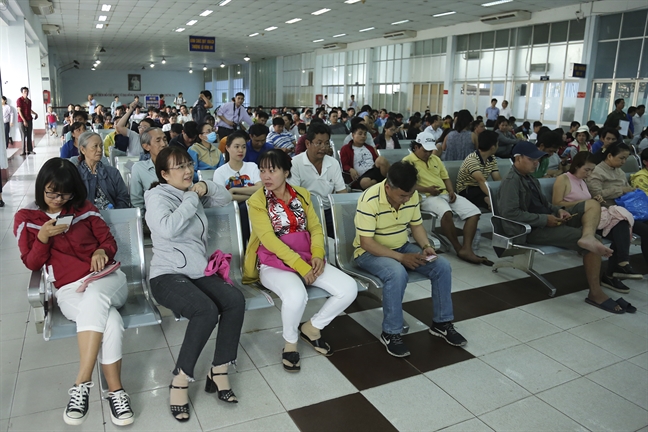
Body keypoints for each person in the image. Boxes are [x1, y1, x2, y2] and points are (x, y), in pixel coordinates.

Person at [14, 158, 135, 426]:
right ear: (40, 189)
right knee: (111, 321)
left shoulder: (85, 210)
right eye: (52, 192)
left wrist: (102, 251)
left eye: (65, 193)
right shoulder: (27, 219)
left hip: (106, 280)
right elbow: (32, 264)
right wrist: (43, 237)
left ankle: (82, 383)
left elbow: (108, 241)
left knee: (95, 296)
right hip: (69, 290)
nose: (58, 199)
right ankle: (116, 392)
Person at [145, 146, 241, 422]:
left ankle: (219, 370)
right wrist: (191, 197)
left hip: (198, 270)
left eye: (188, 164)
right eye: (179, 167)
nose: (187, 170)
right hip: (166, 276)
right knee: (206, 310)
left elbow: (224, 198)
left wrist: (204, 186)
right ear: (164, 174)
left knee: (235, 300)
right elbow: (166, 229)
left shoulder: (192, 191)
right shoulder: (157, 197)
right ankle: (180, 378)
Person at [242, 149, 357, 371]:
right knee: (296, 295)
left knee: (348, 288)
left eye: (272, 170)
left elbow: (315, 227)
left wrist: (317, 255)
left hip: (306, 256)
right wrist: (301, 266)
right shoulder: (257, 201)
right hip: (273, 261)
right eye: (262, 170)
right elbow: (269, 240)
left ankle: (312, 328)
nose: (265, 176)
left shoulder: (302, 194)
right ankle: (290, 343)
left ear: (286, 172)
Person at [498, 142, 635, 314]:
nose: (536, 163)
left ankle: (587, 237)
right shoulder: (512, 181)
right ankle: (595, 293)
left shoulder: (529, 177)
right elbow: (509, 214)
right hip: (532, 229)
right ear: (518, 159)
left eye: (537, 159)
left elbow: (544, 204)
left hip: (547, 220)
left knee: (592, 203)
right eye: (532, 159)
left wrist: (558, 211)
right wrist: (544, 219)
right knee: (596, 244)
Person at [354, 161, 467, 357]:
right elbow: (366, 243)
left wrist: (426, 247)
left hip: (402, 246)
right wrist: (401, 257)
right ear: (388, 187)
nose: (407, 199)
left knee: (441, 266)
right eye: (402, 196)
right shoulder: (369, 199)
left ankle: (441, 323)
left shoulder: (412, 195)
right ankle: (391, 332)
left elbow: (416, 226)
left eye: (410, 194)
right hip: (368, 253)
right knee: (397, 273)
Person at [553, 151, 642, 289]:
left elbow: (589, 203)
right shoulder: (563, 179)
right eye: (586, 170)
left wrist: (595, 201)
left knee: (621, 225)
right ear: (576, 166)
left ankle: (619, 266)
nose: (589, 173)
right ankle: (616, 269)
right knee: (619, 224)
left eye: (592, 170)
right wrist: (586, 202)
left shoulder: (583, 181)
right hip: (574, 219)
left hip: (590, 218)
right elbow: (557, 203)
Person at [404, 131, 490, 266]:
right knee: (446, 213)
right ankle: (457, 248)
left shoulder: (436, 159)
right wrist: (427, 189)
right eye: (425, 150)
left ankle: (466, 248)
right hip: (426, 197)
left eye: (430, 150)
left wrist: (451, 190)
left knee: (474, 212)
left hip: (444, 193)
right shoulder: (407, 162)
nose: (428, 153)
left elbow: (446, 178)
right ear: (416, 147)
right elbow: (407, 185)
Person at [586, 142, 648, 263]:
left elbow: (626, 189)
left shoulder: (619, 171)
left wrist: (631, 191)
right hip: (609, 212)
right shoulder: (597, 172)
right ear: (609, 156)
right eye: (621, 158)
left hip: (625, 210)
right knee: (644, 231)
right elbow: (596, 195)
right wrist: (620, 190)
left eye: (626, 158)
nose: (624, 162)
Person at [288, 123, 347, 237]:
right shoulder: (295, 163)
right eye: (319, 143)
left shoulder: (333, 163)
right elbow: (293, 196)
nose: (323, 148)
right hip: (305, 212)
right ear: (307, 143)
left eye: (326, 143)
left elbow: (341, 193)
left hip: (329, 211)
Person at [76, 132, 130, 209]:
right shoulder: (75, 175)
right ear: (83, 150)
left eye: (101, 146)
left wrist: (117, 213)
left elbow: (123, 198)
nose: (100, 150)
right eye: (95, 146)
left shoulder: (113, 172)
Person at [456, 130, 502, 210]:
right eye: (497, 144)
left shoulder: (491, 158)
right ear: (492, 147)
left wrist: (504, 192)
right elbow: (481, 181)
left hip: (480, 188)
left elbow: (497, 178)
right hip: (466, 189)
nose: (498, 147)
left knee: (498, 198)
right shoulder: (472, 159)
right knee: (488, 198)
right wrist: (493, 196)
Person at [212, 131, 262, 203]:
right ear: (227, 148)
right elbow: (223, 197)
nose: (241, 150)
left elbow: (260, 188)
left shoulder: (252, 166)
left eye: (244, 147)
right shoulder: (220, 172)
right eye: (237, 147)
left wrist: (234, 190)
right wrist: (250, 197)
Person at [340, 123, 390, 190]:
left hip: (374, 171)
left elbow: (376, 160)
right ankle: (382, 184)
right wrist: (350, 169)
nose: (363, 136)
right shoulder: (346, 149)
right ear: (353, 135)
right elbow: (344, 164)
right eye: (360, 134)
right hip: (361, 177)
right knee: (365, 183)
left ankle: (389, 182)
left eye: (365, 134)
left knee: (381, 159)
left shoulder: (369, 148)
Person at [130, 127, 168, 212]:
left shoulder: (178, 164)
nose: (163, 144)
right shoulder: (139, 168)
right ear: (146, 147)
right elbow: (136, 202)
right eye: (158, 141)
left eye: (165, 139)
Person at [17, 87, 38, 156]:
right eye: (24, 91)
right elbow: (19, 111)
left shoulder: (29, 101)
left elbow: (29, 110)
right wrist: (24, 120)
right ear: (22, 92)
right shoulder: (19, 100)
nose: (26, 93)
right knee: (23, 135)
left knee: (29, 134)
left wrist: (35, 113)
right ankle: (23, 151)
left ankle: (30, 149)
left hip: (29, 119)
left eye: (27, 91)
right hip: (21, 120)